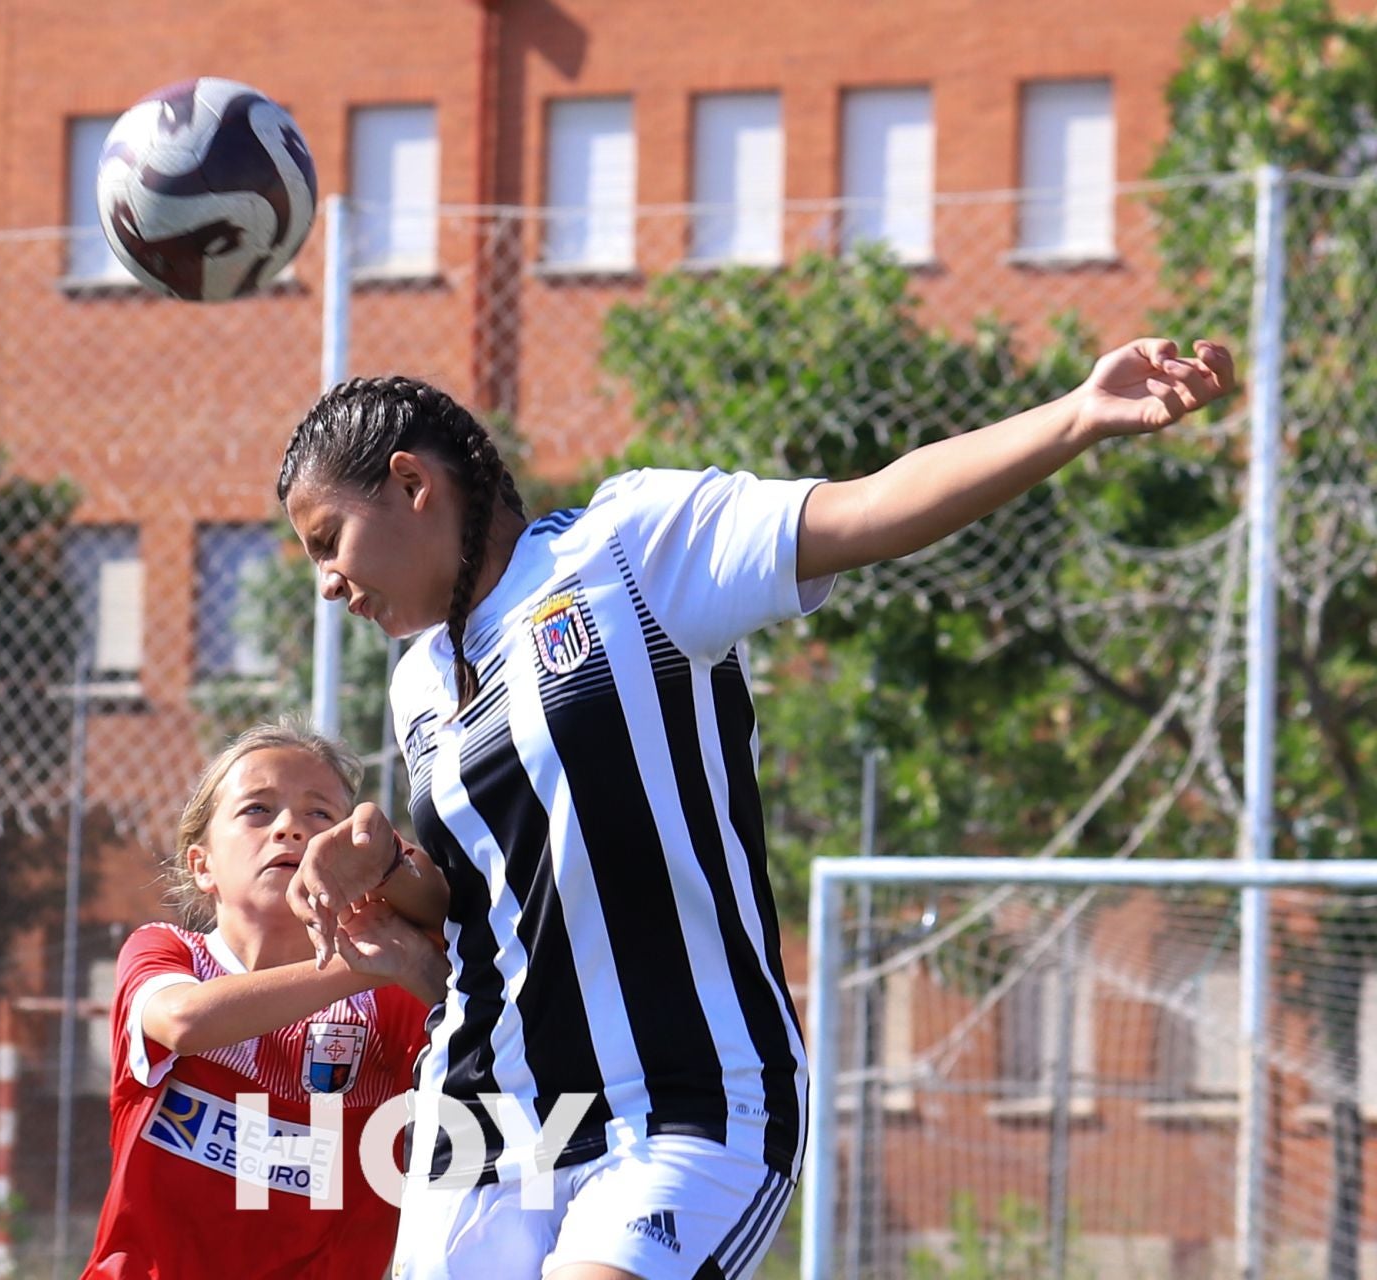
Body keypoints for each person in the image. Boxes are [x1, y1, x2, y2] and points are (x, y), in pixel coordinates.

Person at [274, 338, 1236, 1280]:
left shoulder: (631, 549)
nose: (327, 582)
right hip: (492, 1113)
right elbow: (500, 906)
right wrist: (388, 874)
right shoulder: (420, 688)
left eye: (329, 541)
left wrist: (1074, 415)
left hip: (687, 1103)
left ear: (411, 485)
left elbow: (870, 508)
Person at [80, 720, 450, 1280]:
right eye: (257, 810)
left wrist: (406, 923)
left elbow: (479, 1020)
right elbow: (183, 1020)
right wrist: (362, 964)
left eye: (320, 815)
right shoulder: (165, 952)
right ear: (201, 865)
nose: (290, 830)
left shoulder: (386, 1003)